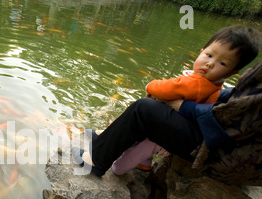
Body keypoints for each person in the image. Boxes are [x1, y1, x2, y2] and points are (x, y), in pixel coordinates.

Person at [73, 25, 262, 181]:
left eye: (222, 63)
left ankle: (95, 160)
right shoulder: (211, 84)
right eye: (210, 56)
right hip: (209, 135)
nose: (210, 64)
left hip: (211, 147)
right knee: (151, 113)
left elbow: (164, 89)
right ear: (202, 51)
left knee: (143, 108)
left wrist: (151, 84)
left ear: (231, 74)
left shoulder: (197, 83)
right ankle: (135, 157)